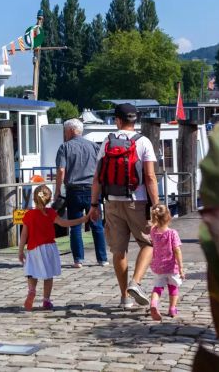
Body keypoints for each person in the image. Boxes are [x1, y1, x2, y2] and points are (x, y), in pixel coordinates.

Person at [89, 103, 160, 308]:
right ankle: (136, 283)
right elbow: (149, 177)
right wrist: (156, 205)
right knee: (149, 243)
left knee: (119, 251)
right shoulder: (143, 142)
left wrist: (94, 204)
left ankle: (124, 298)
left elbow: (97, 178)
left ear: (117, 120)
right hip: (137, 202)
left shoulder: (107, 142)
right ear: (134, 120)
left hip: (111, 202)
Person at [18, 185, 89, 310]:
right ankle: (46, 300)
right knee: (48, 275)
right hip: (49, 248)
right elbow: (64, 223)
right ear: (49, 199)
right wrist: (82, 219)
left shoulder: (29, 214)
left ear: (34, 198)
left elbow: (24, 235)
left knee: (32, 272)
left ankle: (32, 291)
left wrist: (20, 251)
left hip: (33, 249)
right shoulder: (50, 213)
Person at [54, 118, 108, 268]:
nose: (64, 134)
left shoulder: (64, 147)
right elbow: (101, 169)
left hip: (74, 191)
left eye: (65, 131)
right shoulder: (94, 147)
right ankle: (102, 259)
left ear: (71, 131)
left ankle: (78, 260)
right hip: (93, 190)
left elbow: (61, 170)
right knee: (97, 225)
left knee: (75, 226)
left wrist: (58, 190)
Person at [147, 204, 185, 320]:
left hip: (158, 266)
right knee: (173, 287)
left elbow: (152, 233)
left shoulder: (153, 231)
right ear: (169, 217)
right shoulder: (172, 233)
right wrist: (181, 268)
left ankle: (153, 304)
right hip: (171, 266)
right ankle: (172, 309)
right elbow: (177, 251)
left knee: (157, 288)